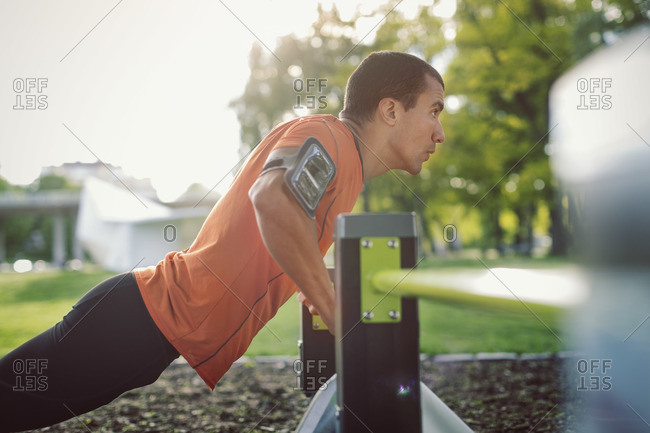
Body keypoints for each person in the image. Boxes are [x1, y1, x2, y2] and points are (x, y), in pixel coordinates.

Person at [0, 50, 445, 432]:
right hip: (136, 319)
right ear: (390, 110)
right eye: (434, 111)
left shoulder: (343, 167)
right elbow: (272, 201)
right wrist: (333, 307)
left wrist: (315, 286)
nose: (439, 134)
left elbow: (276, 232)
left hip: (149, 331)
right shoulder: (327, 137)